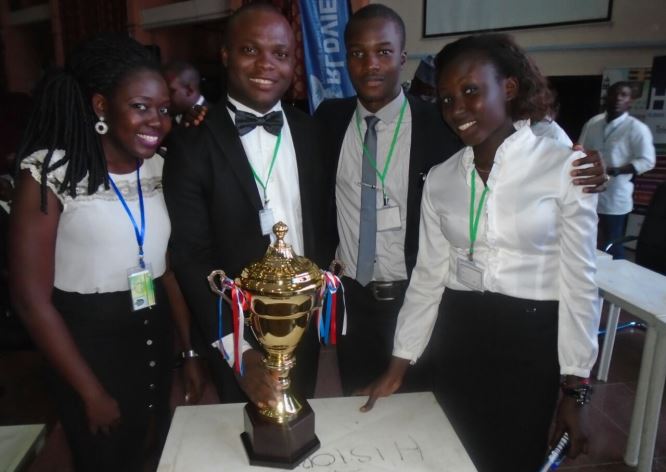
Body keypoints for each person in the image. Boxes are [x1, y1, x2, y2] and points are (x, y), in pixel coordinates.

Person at [315, 4, 606, 397]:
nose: (371, 65)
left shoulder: (443, 120)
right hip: (353, 297)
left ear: (403, 57)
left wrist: (583, 162)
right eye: (358, 53)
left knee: (426, 415)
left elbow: (518, 141)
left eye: (384, 52)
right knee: (359, 409)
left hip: (423, 298)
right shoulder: (326, 121)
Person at [360, 34, 601, 472]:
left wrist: (576, 390)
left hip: (532, 342)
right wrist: (399, 363)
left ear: (508, 88)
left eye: (471, 91)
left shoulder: (564, 168)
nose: (456, 109)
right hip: (458, 337)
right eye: (447, 97)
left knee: (513, 455)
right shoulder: (440, 179)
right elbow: (428, 278)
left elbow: (581, 284)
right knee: (450, 451)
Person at [9, 34, 202, 472]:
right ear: (101, 106)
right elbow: (30, 300)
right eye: (140, 106)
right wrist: (90, 393)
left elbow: (167, 271)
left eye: (164, 109)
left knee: (158, 453)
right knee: (106, 460)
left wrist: (187, 353)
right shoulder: (49, 172)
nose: (156, 120)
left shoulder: (160, 166)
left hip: (153, 330)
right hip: (88, 350)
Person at [163, 3, 332, 407]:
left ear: (294, 63)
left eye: (280, 53)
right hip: (234, 328)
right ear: (225, 55)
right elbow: (190, 255)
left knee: (300, 419)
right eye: (249, 50)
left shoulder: (313, 133)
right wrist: (238, 349)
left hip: (301, 318)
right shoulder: (192, 144)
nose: (266, 64)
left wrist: (315, 304)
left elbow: (325, 225)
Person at [579, 81, 656, 259]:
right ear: (607, 98)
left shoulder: (637, 128)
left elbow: (647, 160)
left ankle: (615, 281)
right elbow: (580, 150)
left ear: (631, 101)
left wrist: (616, 170)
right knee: (586, 241)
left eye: (624, 95)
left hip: (615, 196)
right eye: (614, 94)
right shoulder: (593, 123)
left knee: (612, 243)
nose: (618, 99)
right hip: (588, 193)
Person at [162, 60, 209, 126]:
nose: (164, 98)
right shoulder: (170, 117)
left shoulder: (213, 119)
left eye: (170, 91)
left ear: (189, 90)